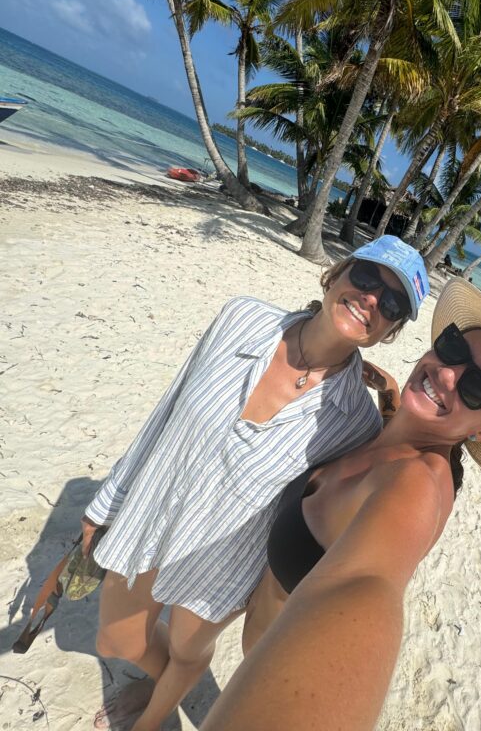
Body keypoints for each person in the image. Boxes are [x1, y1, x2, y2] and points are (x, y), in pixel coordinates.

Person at [79, 235, 430, 731]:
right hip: (153, 513)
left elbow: (375, 488)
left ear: (389, 331)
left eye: (391, 302)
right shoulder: (242, 318)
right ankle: (160, 682)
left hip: (225, 558)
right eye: (367, 277)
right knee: (118, 639)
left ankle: (151, 719)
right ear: (338, 273)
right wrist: (104, 505)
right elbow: (167, 409)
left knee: (186, 650)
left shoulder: (356, 422)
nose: (372, 298)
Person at [205, 277, 481, 730]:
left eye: (477, 388)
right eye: (453, 349)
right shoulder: (395, 436)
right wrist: (393, 396)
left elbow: (368, 585)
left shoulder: (415, 485)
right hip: (254, 642)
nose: (447, 373)